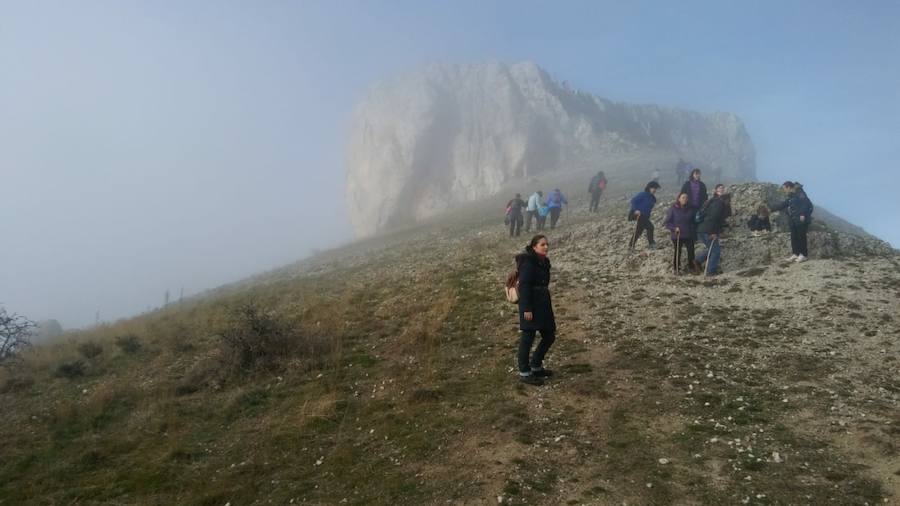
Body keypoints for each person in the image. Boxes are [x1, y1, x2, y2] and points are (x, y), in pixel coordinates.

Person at [515, 235, 556, 386]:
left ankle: (536, 366)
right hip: (530, 304)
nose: (546, 247)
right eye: (542, 244)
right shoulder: (529, 262)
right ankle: (525, 372)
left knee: (549, 335)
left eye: (547, 244)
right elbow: (524, 285)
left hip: (543, 303)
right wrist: (526, 308)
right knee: (528, 337)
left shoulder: (544, 261)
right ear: (534, 247)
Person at [771, 181, 814, 262]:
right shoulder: (791, 197)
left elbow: (806, 204)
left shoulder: (800, 193)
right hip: (793, 220)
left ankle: (803, 255)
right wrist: (770, 209)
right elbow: (782, 205)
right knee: (794, 237)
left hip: (801, 219)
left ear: (789, 187)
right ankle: (796, 254)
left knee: (801, 236)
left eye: (784, 188)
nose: (784, 190)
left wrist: (802, 214)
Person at [694, 193, 731, 276]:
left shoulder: (713, 203)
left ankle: (697, 260)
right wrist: (713, 232)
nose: (729, 203)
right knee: (716, 251)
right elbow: (714, 218)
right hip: (708, 231)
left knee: (712, 249)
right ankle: (710, 271)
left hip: (701, 230)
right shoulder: (719, 205)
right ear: (727, 200)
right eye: (729, 201)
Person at [663, 192, 696, 274]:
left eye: (686, 198)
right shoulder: (673, 209)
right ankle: (676, 268)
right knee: (678, 251)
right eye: (683, 197)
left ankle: (691, 267)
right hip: (677, 234)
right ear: (679, 199)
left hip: (688, 233)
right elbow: (667, 223)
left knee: (691, 251)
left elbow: (694, 221)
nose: (685, 199)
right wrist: (674, 228)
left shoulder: (691, 209)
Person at [628, 181, 660, 250]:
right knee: (650, 227)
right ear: (649, 187)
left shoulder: (652, 198)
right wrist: (636, 210)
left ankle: (631, 245)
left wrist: (647, 217)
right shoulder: (643, 194)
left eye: (655, 188)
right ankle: (651, 243)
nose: (654, 190)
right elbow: (633, 201)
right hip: (636, 214)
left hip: (644, 216)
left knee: (639, 230)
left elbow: (648, 209)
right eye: (653, 188)